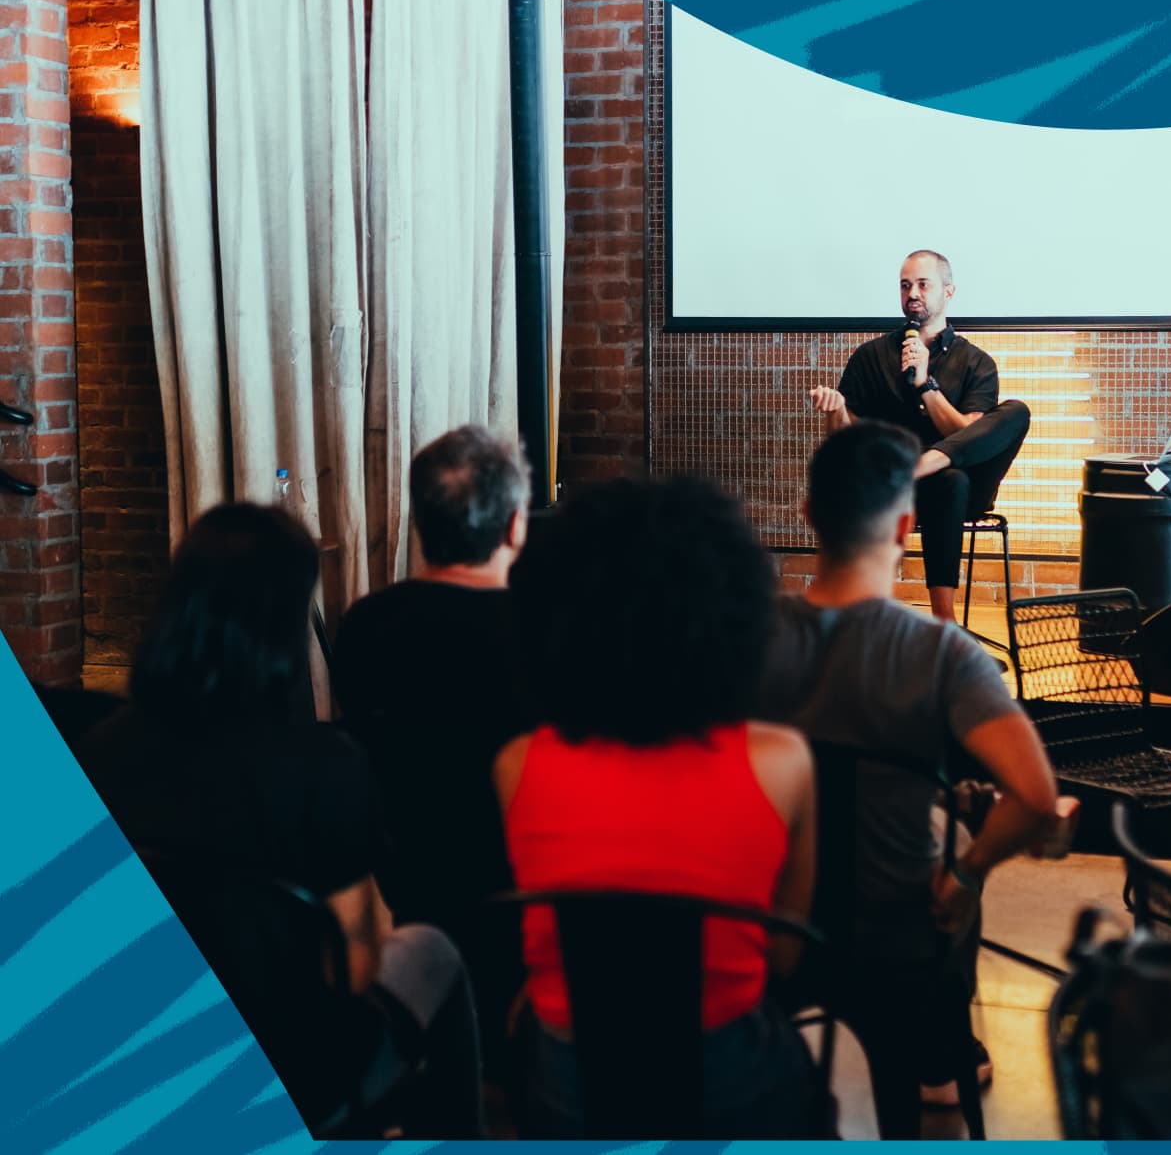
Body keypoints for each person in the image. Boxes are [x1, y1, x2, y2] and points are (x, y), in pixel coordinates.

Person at [77, 503, 483, 1138]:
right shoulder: (327, 768)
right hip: (305, 1075)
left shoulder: (100, 750)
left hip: (151, 1061)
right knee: (432, 950)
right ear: (289, 615)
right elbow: (352, 969)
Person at [495, 475, 819, 1139]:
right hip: (729, 1083)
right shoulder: (781, 760)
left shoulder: (519, 763)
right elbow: (783, 958)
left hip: (568, 1088)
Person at [755, 421, 1059, 1126]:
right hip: (895, 933)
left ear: (809, 517)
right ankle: (940, 1052)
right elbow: (1036, 797)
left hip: (769, 925)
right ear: (905, 528)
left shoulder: (747, 634)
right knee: (954, 852)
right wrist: (964, 875)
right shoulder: (943, 654)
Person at [332, 425, 532, 1068]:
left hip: (410, 880)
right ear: (516, 528)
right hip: (521, 895)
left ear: (419, 521)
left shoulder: (365, 627)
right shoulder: (547, 634)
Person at [808, 250, 1031, 623]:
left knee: (1016, 413)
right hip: (894, 490)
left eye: (923, 284)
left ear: (949, 292)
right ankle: (946, 623)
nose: (913, 293)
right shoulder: (870, 357)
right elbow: (844, 445)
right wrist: (836, 412)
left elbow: (971, 435)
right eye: (905, 285)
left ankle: (918, 464)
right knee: (949, 478)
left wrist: (926, 384)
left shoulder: (976, 363)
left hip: (966, 492)